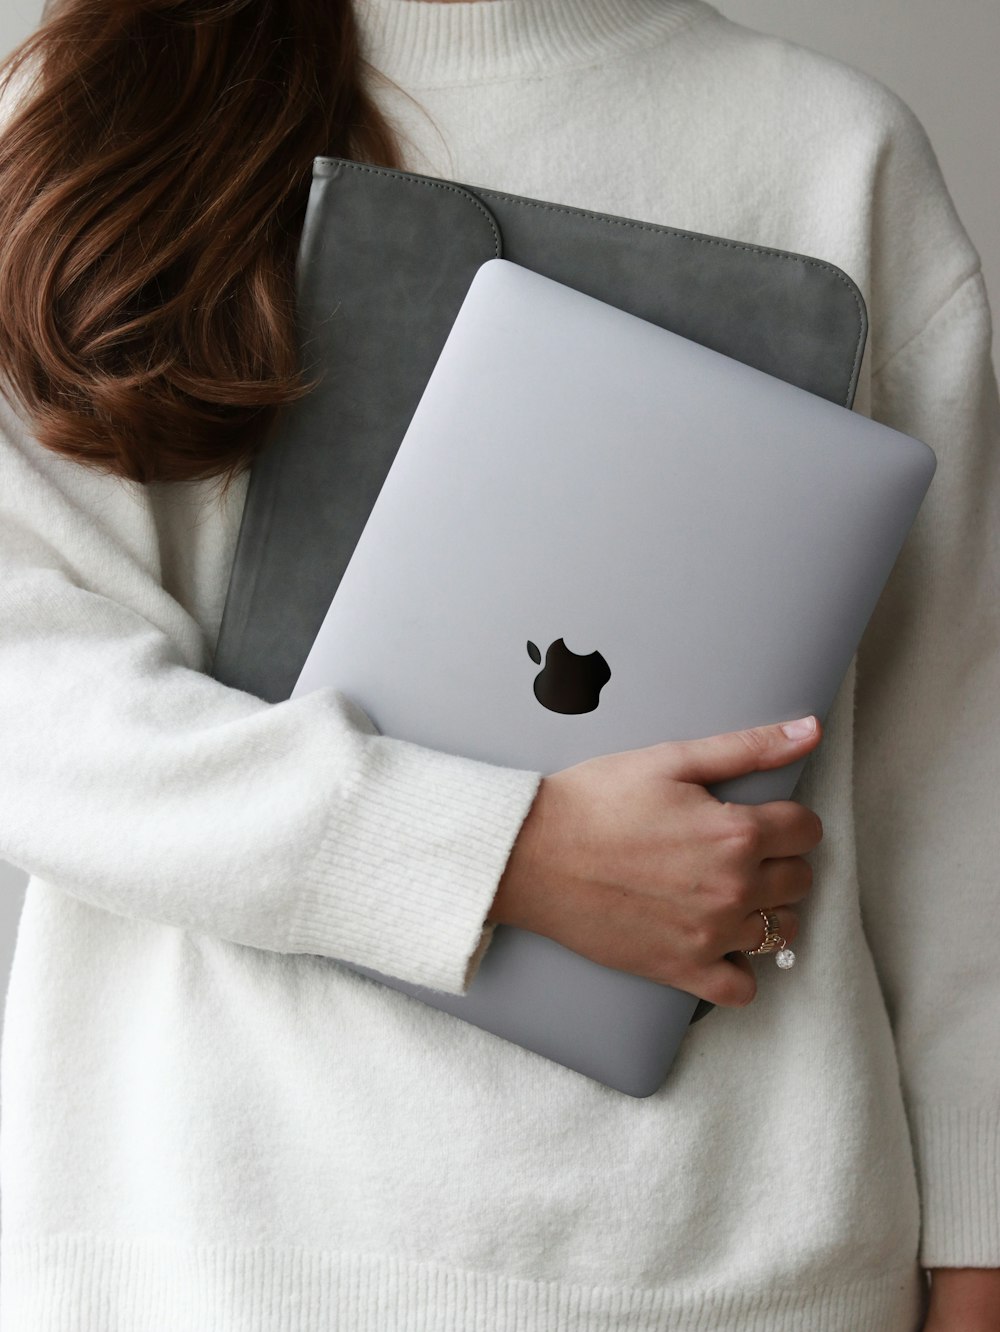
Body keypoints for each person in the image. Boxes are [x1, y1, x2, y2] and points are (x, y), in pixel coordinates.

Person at [0, 0, 997, 1326]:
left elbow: (961, 776)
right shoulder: (112, 115)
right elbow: (33, 699)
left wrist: (980, 1257)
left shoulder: (835, 150)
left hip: (744, 1270)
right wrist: (502, 852)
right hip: (213, 1254)